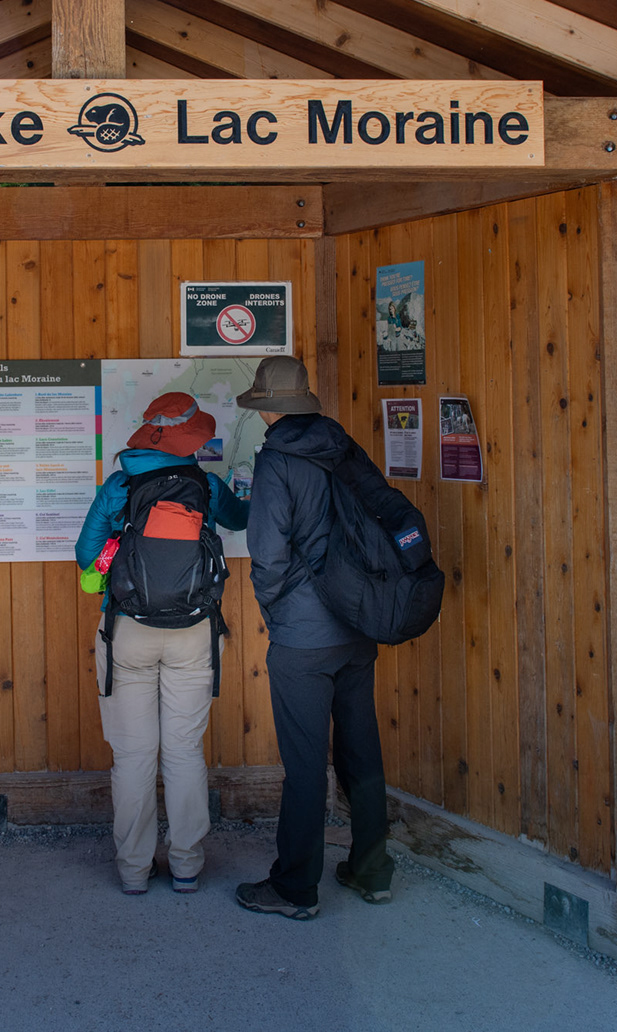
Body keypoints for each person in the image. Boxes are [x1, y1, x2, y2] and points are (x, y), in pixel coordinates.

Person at [231, 355, 393, 919]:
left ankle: (296, 887)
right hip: (358, 626)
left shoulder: (277, 462)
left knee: (304, 765)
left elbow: (268, 554)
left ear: (266, 410)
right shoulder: (342, 446)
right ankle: (372, 871)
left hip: (303, 637)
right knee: (360, 750)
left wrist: (278, 612)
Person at [74, 391, 248, 895]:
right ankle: (188, 866)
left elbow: (87, 556)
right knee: (184, 751)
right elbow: (239, 520)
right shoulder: (206, 485)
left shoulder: (120, 484)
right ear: (190, 440)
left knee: (132, 756)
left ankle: (133, 869)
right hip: (194, 632)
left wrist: (117, 559)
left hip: (128, 630)